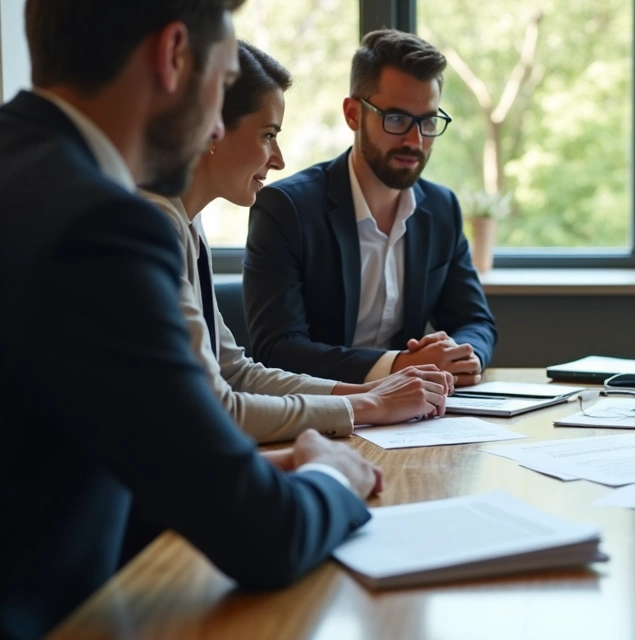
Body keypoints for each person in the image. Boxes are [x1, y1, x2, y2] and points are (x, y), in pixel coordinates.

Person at [0, 3, 380, 638]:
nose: (215, 123)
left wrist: (226, 470)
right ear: (174, 56)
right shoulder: (103, 225)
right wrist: (330, 472)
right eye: (223, 76)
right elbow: (265, 538)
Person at [143, 40, 454, 445]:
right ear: (211, 129)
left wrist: (369, 393)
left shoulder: (186, 219)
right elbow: (215, 406)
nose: (279, 159)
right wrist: (369, 406)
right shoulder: (153, 222)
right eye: (268, 135)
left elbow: (234, 372)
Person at [243, 30, 496, 387]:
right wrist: (399, 365)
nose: (415, 140)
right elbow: (278, 349)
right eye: (396, 119)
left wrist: (462, 355)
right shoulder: (286, 209)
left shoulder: (442, 209)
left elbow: (477, 321)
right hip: (323, 412)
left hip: (415, 414)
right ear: (353, 114)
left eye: (427, 121)